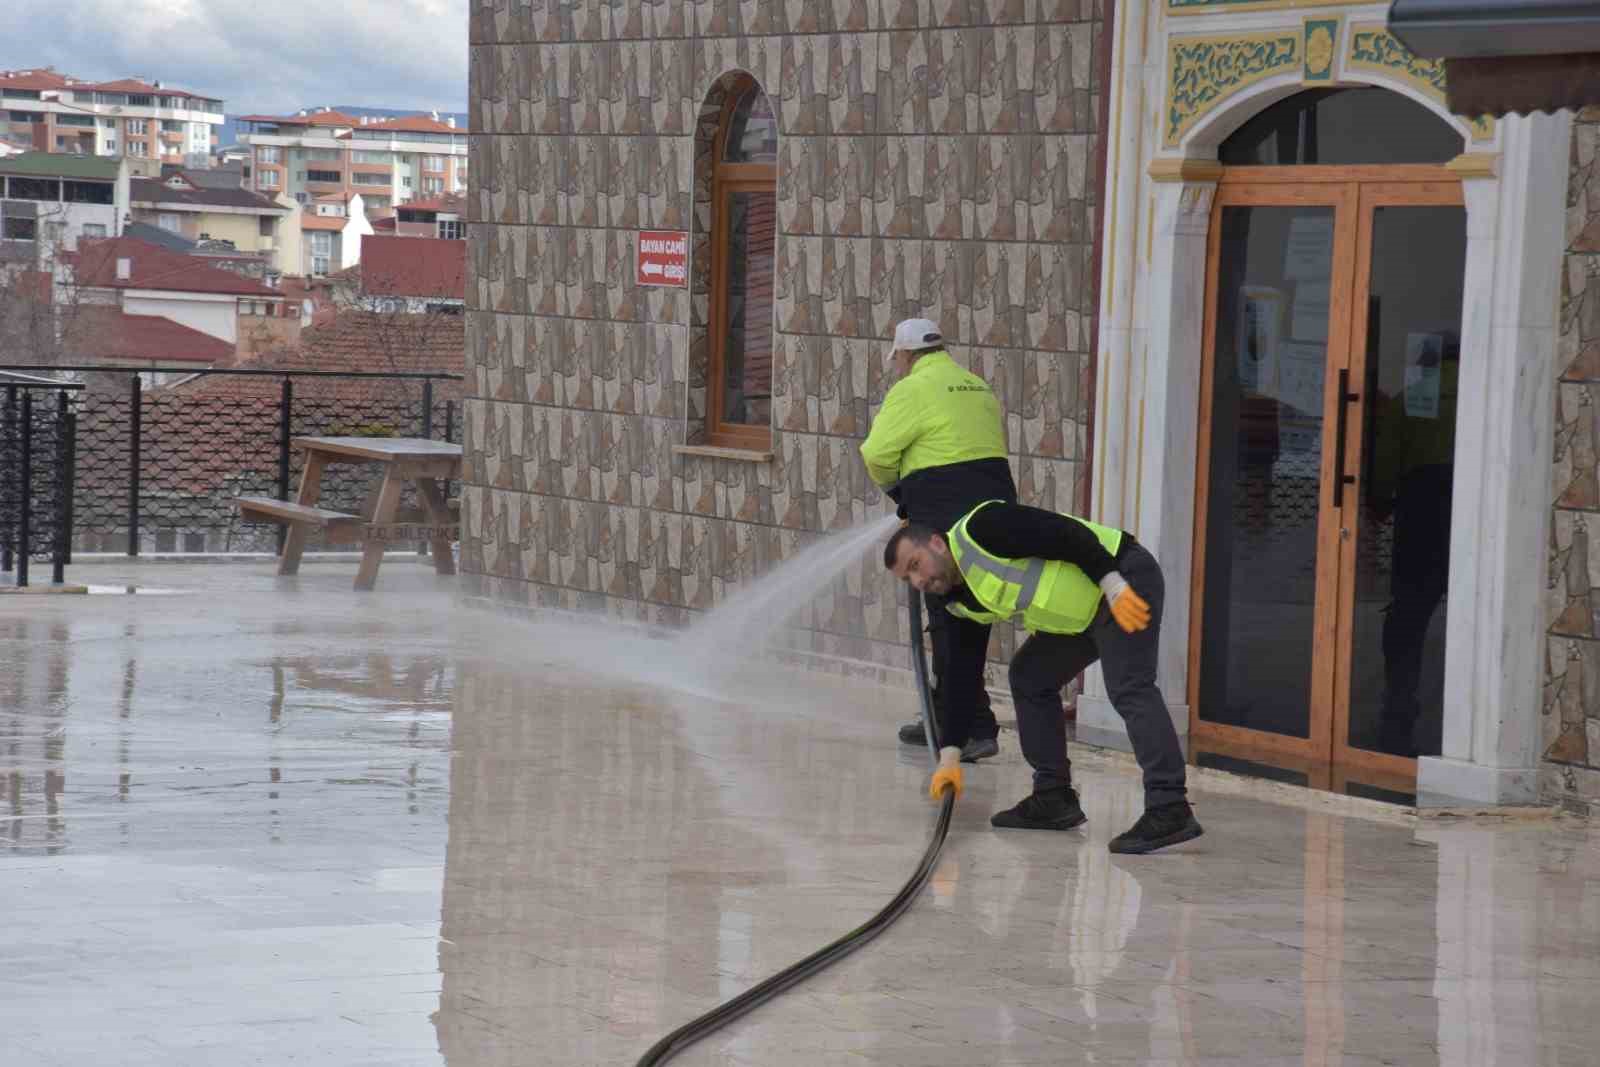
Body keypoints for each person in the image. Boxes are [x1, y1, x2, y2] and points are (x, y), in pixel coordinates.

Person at [883, 501, 1203, 854]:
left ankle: (1169, 805)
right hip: (1081, 616)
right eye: (908, 579)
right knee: (1030, 676)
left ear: (937, 543)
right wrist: (950, 756)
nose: (919, 580)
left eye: (916, 565)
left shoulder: (984, 528)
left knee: (1129, 686)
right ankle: (1053, 797)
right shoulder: (957, 603)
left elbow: (1067, 535)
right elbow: (962, 676)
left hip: (1121, 577)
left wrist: (1113, 583)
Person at [860, 318, 1015, 763]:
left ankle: (962, 729)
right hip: (994, 516)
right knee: (970, 617)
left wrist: (900, 494)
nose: (898, 368)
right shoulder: (975, 385)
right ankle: (964, 718)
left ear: (906, 356)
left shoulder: (912, 389)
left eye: (898, 360)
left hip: (944, 518)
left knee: (948, 621)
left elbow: (876, 453)